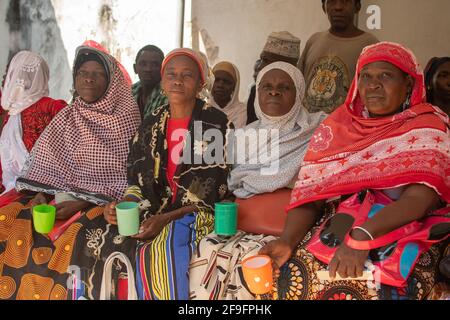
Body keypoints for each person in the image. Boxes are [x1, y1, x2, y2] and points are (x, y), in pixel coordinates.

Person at [257, 42, 450, 300]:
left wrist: (362, 238)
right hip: (341, 229)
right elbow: (312, 197)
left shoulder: (428, 126)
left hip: (408, 231)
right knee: (290, 274)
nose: (373, 84)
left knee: (383, 288)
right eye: (366, 77)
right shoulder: (338, 128)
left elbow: (418, 201)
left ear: (408, 84)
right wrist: (287, 240)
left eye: (386, 75)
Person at [0, 45, 140, 300]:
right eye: (83, 72)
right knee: (9, 220)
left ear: (111, 82)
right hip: (59, 200)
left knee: (75, 237)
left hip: (103, 205)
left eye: (98, 73)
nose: (88, 78)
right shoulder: (67, 115)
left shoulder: (125, 119)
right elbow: (46, 166)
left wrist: (80, 203)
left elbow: (126, 181)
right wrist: (40, 196)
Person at [102, 48, 232, 300]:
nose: (178, 81)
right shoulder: (151, 122)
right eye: (171, 74)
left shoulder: (216, 123)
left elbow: (212, 192)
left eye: (187, 75)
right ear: (163, 81)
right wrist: (124, 205)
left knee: (165, 244)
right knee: (105, 237)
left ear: (201, 83)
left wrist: (165, 218)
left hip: (197, 211)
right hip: (153, 209)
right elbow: (136, 181)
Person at [190, 62, 327, 299]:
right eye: (267, 86)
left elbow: (317, 191)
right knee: (204, 253)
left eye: (284, 87)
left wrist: (286, 239)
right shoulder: (242, 136)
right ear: (258, 92)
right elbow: (227, 187)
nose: (274, 92)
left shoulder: (317, 131)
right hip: (241, 224)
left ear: (299, 94)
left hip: (294, 227)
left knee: (274, 271)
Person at [0, 51, 67, 195]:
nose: (5, 78)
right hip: (19, 185)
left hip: (42, 188)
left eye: (10, 73)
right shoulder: (13, 111)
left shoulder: (52, 107)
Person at [299, 0, 378, 114]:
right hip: (307, 126)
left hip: (345, 127)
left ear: (357, 6)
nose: (338, 7)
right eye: (331, 1)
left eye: (345, 1)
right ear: (323, 7)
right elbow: (299, 84)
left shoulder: (370, 45)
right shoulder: (314, 40)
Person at [246, 31, 301, 125]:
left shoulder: (298, 93)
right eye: (261, 59)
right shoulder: (255, 90)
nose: (260, 66)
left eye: (267, 61)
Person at [132, 45, 168, 120]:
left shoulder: (169, 95)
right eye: (143, 64)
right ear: (135, 68)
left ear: (163, 69)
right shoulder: (130, 92)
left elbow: (198, 129)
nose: (148, 69)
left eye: (155, 64)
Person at [211, 61, 247, 128]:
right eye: (216, 80)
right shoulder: (201, 108)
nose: (220, 85)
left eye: (227, 82)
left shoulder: (242, 112)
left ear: (235, 87)